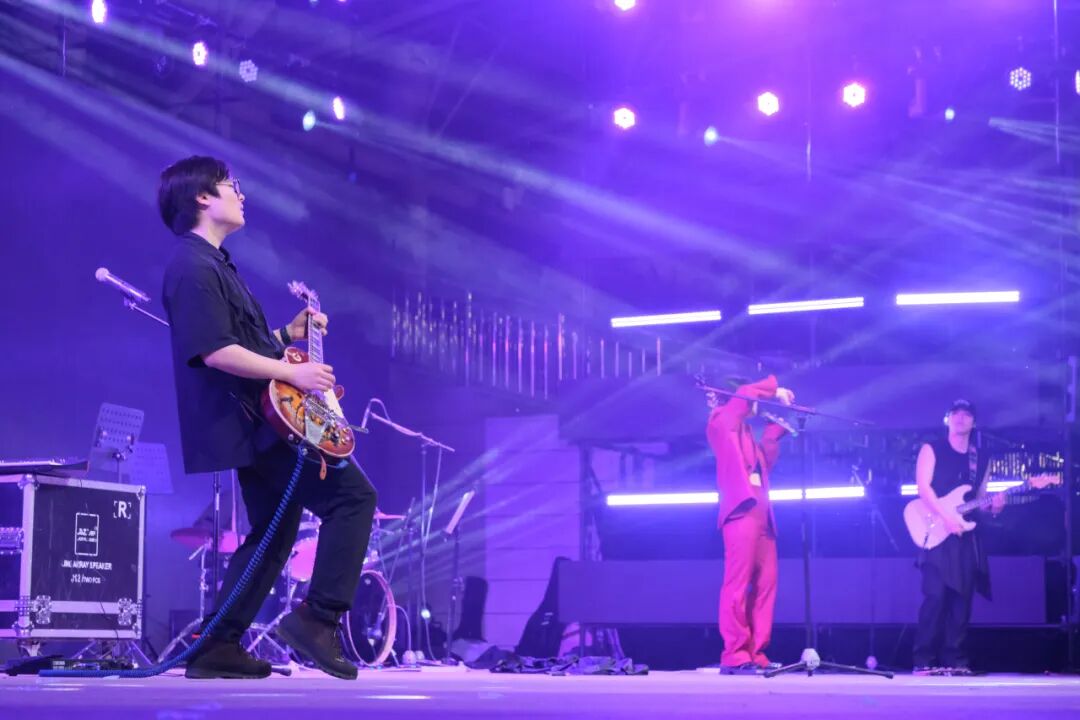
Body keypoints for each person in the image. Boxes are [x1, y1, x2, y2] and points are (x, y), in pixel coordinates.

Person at [158, 156, 377, 680]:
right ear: (203, 197)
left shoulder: (215, 265)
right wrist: (292, 371)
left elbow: (241, 343)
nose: (241, 194)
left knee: (273, 535)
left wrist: (285, 337)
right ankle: (318, 619)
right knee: (353, 498)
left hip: (261, 422)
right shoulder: (192, 267)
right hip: (256, 424)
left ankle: (217, 644)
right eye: (231, 186)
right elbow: (215, 351)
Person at [706, 375, 794, 674]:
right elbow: (745, 393)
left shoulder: (744, 433)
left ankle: (757, 651)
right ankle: (734, 653)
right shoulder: (721, 422)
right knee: (738, 584)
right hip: (741, 512)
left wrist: (774, 430)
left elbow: (763, 465)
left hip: (762, 514)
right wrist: (774, 390)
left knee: (766, 583)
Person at [911, 399, 1004, 676]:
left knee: (962, 599)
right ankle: (923, 659)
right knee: (935, 596)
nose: (960, 418)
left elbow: (978, 499)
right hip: (936, 530)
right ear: (948, 418)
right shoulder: (932, 449)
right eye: (955, 413)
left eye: (966, 414)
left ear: (974, 422)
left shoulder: (981, 458)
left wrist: (994, 507)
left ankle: (955, 659)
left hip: (964, 534)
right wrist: (946, 518)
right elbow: (923, 488)